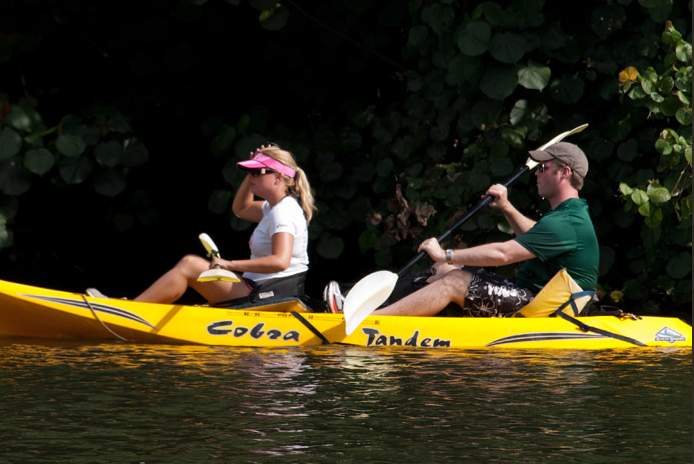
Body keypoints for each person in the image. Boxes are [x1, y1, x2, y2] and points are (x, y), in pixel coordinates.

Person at [325, 142, 599, 317]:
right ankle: (364, 303)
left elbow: (503, 254)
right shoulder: (567, 216)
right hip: (528, 296)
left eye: (543, 168)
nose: (537, 173)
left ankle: (370, 321)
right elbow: (535, 234)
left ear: (563, 172)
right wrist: (506, 207)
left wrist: (446, 253)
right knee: (445, 273)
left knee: (454, 278)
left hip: (541, 311)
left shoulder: (568, 222)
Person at [88, 144, 316, 304]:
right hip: (258, 287)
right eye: (249, 172)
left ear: (278, 178)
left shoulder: (283, 213)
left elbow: (280, 261)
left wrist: (229, 264)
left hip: (268, 293)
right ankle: (137, 307)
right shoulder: (272, 208)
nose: (251, 177)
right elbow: (241, 209)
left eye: (257, 172)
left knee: (189, 264)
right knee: (191, 264)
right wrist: (251, 171)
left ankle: (132, 310)